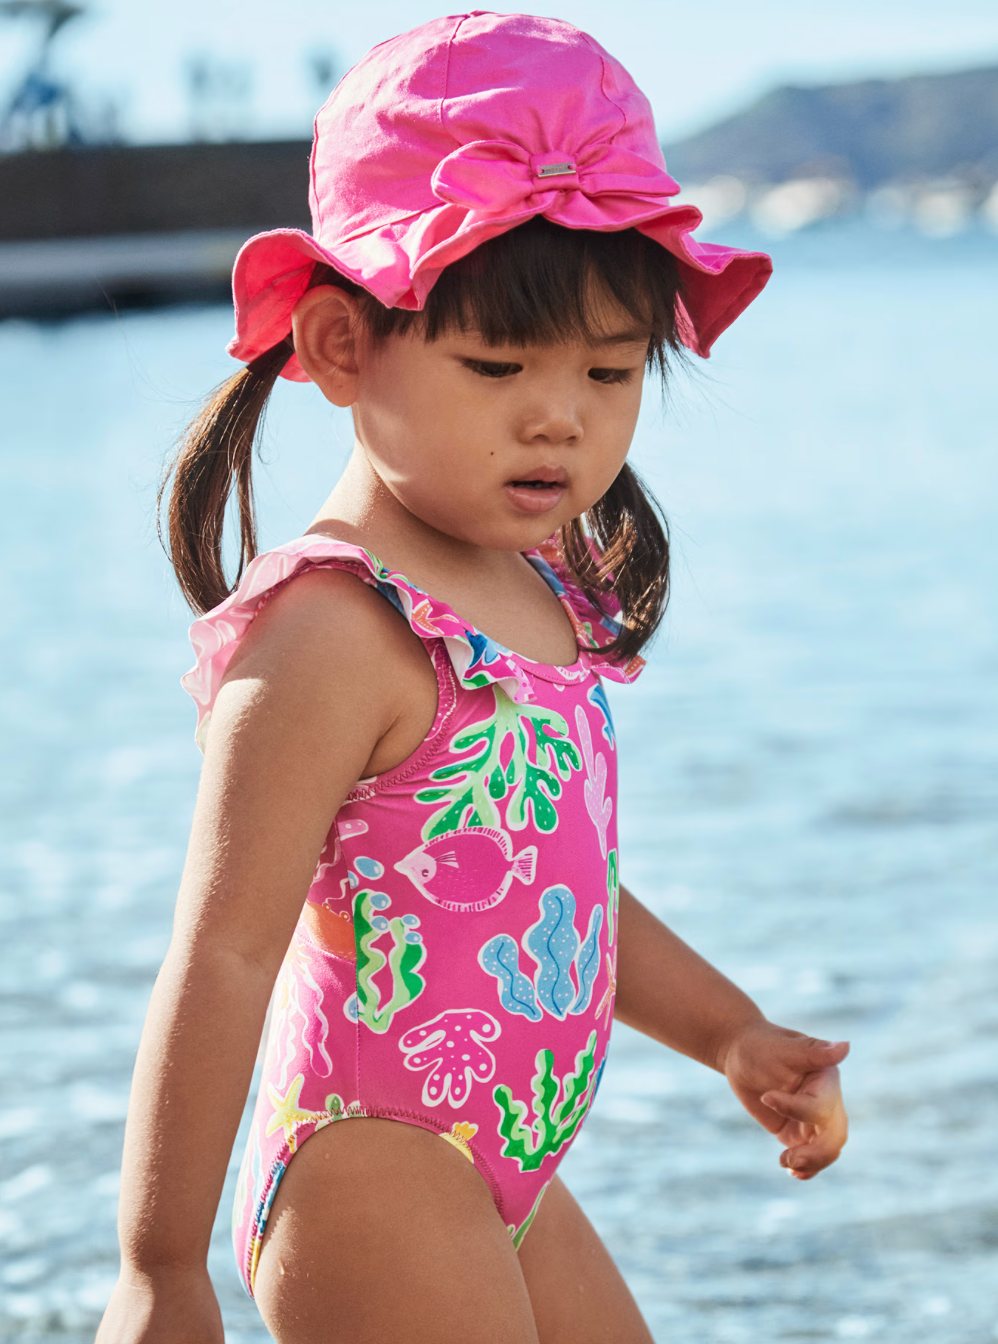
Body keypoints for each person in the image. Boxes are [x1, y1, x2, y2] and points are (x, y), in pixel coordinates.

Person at [96, 13, 848, 1344]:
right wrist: (161, 1268)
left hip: (504, 1164)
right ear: (339, 347)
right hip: (370, 1162)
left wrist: (729, 1031)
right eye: (495, 367)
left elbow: (544, 876)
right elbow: (220, 952)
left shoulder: (536, 580)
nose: (557, 414)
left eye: (610, 371)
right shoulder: (330, 628)